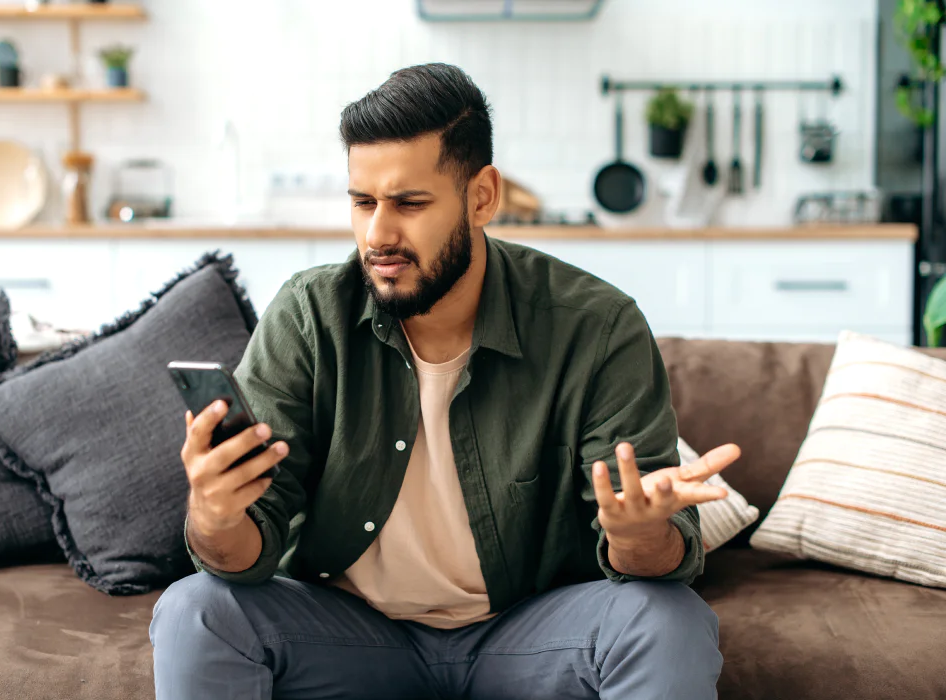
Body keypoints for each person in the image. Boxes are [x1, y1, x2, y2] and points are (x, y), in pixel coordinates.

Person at [150, 62, 741, 700]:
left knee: (668, 620)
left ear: (482, 196)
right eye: (362, 202)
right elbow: (244, 548)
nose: (378, 233)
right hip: (350, 639)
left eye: (409, 203)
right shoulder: (308, 315)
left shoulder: (598, 327)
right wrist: (214, 515)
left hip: (531, 634)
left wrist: (636, 535)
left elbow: (654, 558)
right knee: (196, 610)